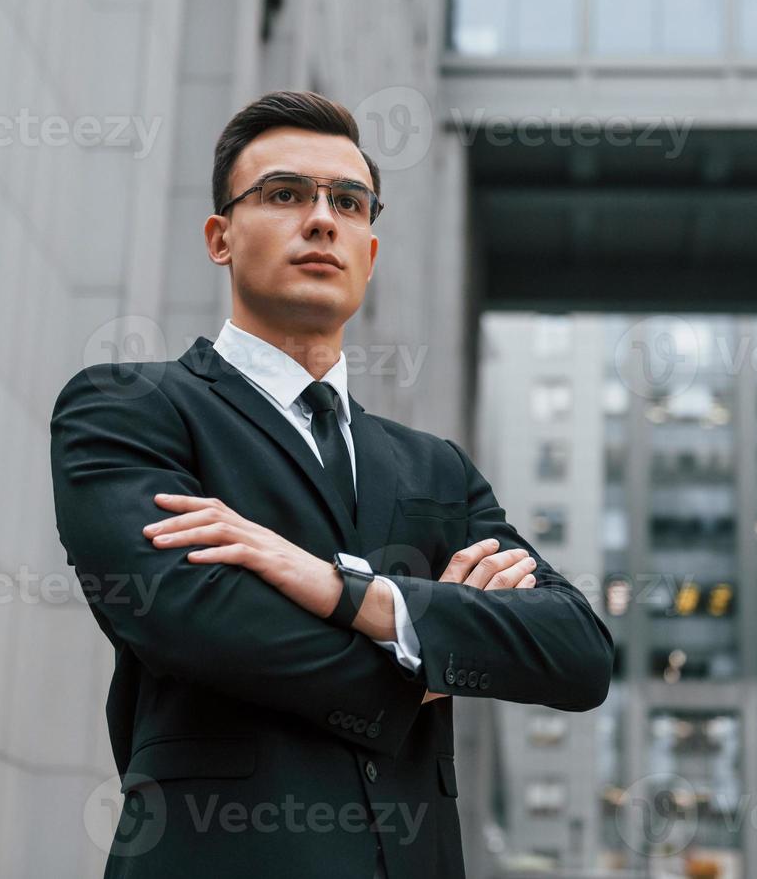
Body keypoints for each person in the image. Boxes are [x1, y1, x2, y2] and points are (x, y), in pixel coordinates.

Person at [49, 90, 613, 878]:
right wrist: (429, 653)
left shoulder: (436, 469)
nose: (322, 220)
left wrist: (349, 593)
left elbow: (577, 653)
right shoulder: (127, 409)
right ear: (220, 237)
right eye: (285, 195)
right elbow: (194, 619)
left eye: (348, 202)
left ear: (370, 252)